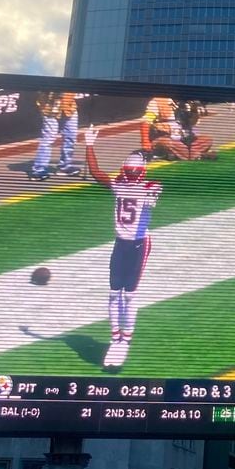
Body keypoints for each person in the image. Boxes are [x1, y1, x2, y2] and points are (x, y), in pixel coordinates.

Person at [85, 126, 162, 369]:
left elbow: (98, 173)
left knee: (129, 295)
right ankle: (115, 338)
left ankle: (125, 340)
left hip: (139, 245)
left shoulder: (142, 187)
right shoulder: (130, 185)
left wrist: (89, 145)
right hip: (121, 243)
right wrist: (88, 145)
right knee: (113, 292)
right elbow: (97, 173)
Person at [140, 97, 216, 161]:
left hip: (184, 138)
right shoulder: (158, 101)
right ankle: (197, 155)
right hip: (165, 138)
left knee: (207, 139)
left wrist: (194, 111)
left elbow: (192, 123)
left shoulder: (188, 102)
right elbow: (146, 122)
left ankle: (177, 154)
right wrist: (145, 141)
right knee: (170, 143)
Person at [30, 92, 80, 180]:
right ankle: (39, 170)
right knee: (48, 140)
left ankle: (65, 166)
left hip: (69, 107)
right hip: (50, 109)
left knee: (70, 138)